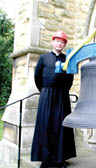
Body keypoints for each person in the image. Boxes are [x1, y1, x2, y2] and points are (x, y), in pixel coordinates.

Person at [31, 31, 76, 168]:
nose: (59, 43)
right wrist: (45, 91)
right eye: (57, 41)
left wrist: (61, 91)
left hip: (62, 96)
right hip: (46, 95)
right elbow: (37, 77)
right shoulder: (43, 58)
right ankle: (45, 159)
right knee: (46, 126)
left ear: (64, 44)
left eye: (62, 42)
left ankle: (60, 159)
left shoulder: (67, 59)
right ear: (53, 42)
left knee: (61, 127)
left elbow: (70, 78)